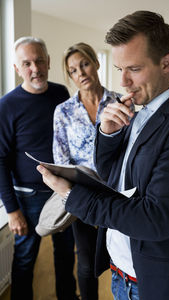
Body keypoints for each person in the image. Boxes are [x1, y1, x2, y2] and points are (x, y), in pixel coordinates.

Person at [37, 11, 169, 300]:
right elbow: (117, 179)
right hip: (121, 273)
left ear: (166, 63)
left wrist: (71, 195)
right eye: (119, 68)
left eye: (133, 69)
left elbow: (156, 218)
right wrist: (109, 134)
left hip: (152, 283)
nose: (123, 81)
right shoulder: (141, 109)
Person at [0, 37, 78, 300]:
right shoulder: (6, 106)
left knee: (67, 256)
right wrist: (12, 211)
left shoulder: (60, 94)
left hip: (63, 190)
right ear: (16, 68)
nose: (35, 68)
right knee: (24, 262)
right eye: (27, 63)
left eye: (39, 60)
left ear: (48, 62)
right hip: (27, 197)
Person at [52, 42, 122, 300]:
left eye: (84, 64)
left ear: (96, 63)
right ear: (69, 76)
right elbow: (61, 160)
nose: (80, 73)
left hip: (116, 194)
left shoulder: (118, 102)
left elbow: (130, 152)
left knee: (120, 257)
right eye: (72, 70)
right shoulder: (63, 112)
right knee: (85, 261)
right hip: (81, 196)